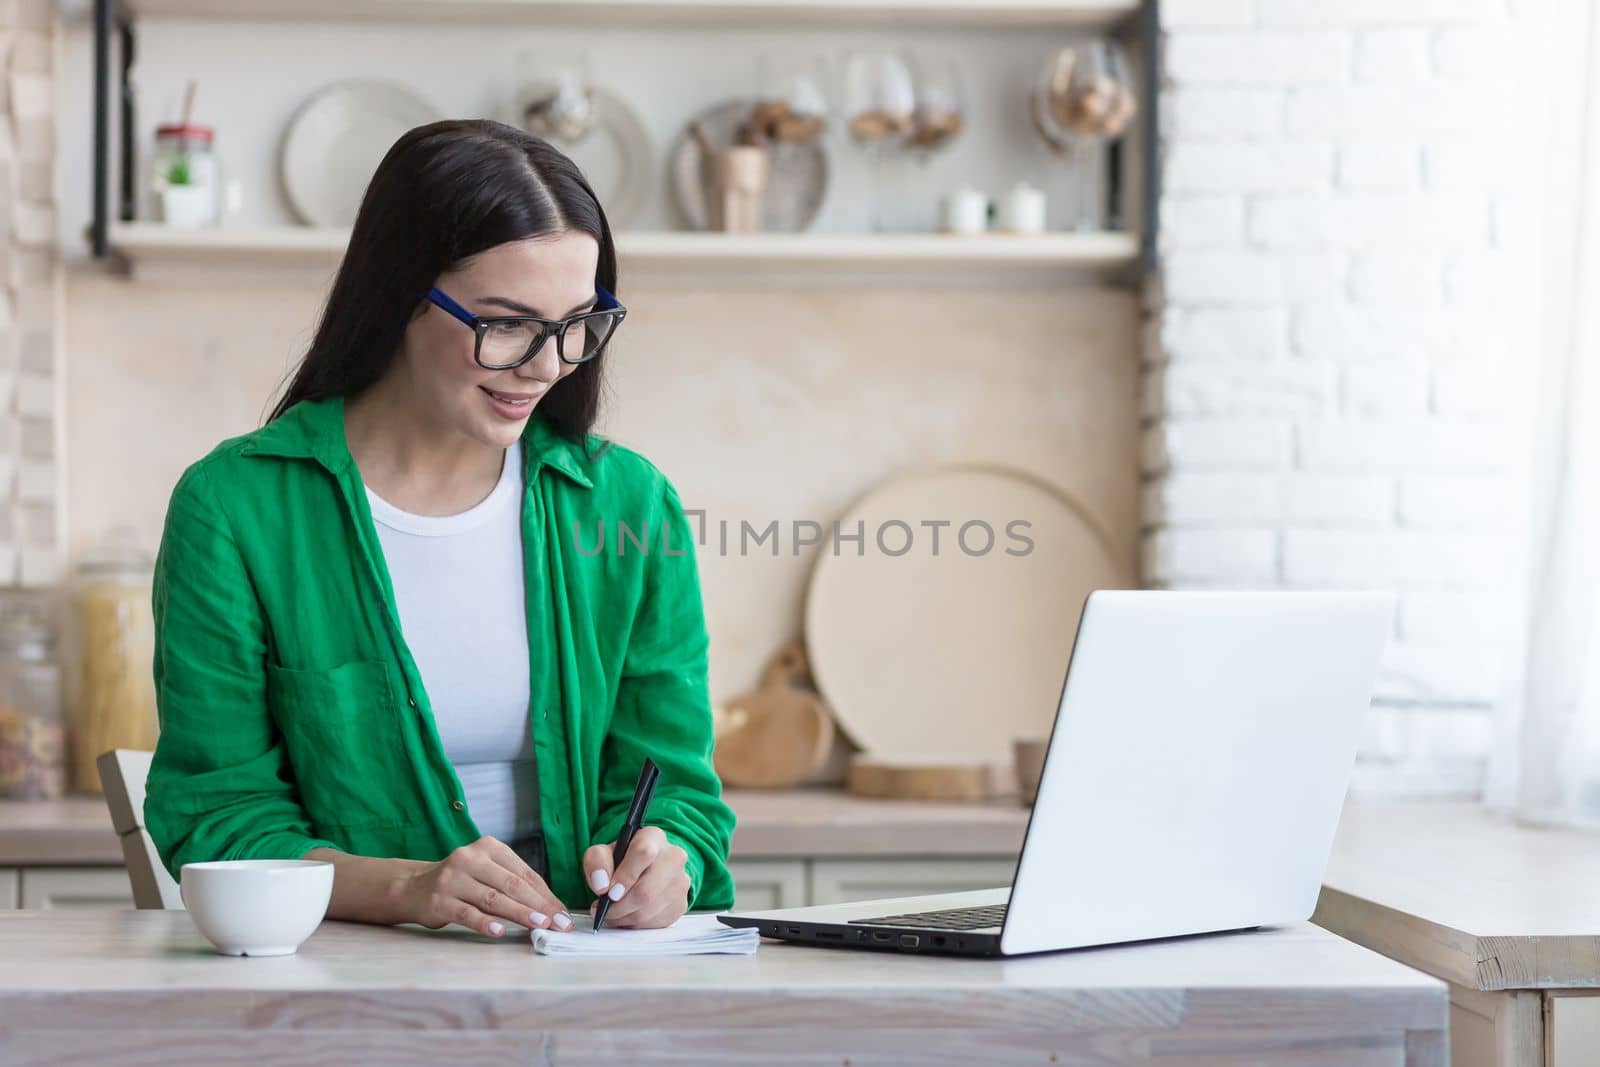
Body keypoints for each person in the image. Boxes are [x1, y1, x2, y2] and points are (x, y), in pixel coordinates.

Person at [144, 119, 735, 937]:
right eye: (508, 324)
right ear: (401, 296)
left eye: (577, 323)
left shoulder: (631, 505)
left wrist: (673, 861)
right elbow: (217, 817)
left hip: (583, 973)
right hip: (345, 978)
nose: (548, 364)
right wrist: (411, 889)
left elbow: (677, 790)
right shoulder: (236, 508)